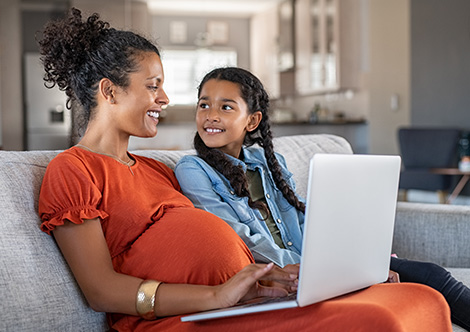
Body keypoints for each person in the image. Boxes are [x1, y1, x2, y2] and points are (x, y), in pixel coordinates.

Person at [37, 8, 452, 332]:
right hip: (186, 320)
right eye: (152, 85)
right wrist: (216, 296)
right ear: (109, 90)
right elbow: (100, 290)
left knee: (422, 299)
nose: (164, 98)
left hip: (243, 303)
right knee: (379, 321)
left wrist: (274, 282)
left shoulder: (154, 169)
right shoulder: (73, 170)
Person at [174, 67, 470, 331]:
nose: (211, 115)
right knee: (412, 289)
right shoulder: (193, 169)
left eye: (226, 107)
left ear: (252, 120)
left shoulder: (266, 160)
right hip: (282, 276)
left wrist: (347, 260)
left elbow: (305, 215)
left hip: (318, 270)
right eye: (204, 105)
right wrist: (313, 269)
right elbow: (234, 235)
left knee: (432, 275)